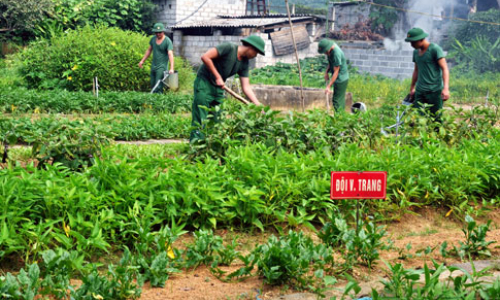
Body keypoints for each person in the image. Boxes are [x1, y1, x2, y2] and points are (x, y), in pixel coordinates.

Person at [190, 35, 265, 142]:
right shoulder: (229, 48)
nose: (255, 56)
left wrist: (258, 105)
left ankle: (212, 146)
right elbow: (205, 57)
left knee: (218, 119)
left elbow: (246, 87)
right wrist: (218, 76)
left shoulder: (244, 63)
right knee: (200, 117)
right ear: (251, 48)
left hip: (219, 88)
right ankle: (195, 146)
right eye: (256, 52)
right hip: (204, 83)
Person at [405, 27, 449, 122]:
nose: (411, 45)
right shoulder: (416, 52)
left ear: (421, 39)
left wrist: (445, 88)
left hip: (434, 91)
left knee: (436, 119)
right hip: (420, 91)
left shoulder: (434, 49)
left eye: (413, 42)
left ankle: (436, 136)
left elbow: (444, 68)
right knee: (418, 119)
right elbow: (416, 70)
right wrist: (412, 87)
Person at [139, 23, 174, 93]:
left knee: (158, 85)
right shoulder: (153, 39)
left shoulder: (167, 41)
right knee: (152, 84)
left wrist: (172, 68)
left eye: (160, 32)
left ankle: (158, 100)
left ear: (163, 32)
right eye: (156, 32)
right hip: (154, 65)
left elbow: (170, 54)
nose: (158, 34)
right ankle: (153, 100)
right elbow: (149, 50)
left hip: (162, 67)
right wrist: (142, 61)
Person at [318, 38, 349, 113]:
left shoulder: (336, 53)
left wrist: (328, 86)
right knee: (339, 100)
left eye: (325, 51)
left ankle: (339, 118)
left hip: (341, 79)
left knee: (337, 101)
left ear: (328, 48)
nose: (325, 53)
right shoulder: (330, 51)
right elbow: (331, 62)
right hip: (338, 78)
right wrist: (326, 72)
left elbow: (336, 72)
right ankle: (341, 117)